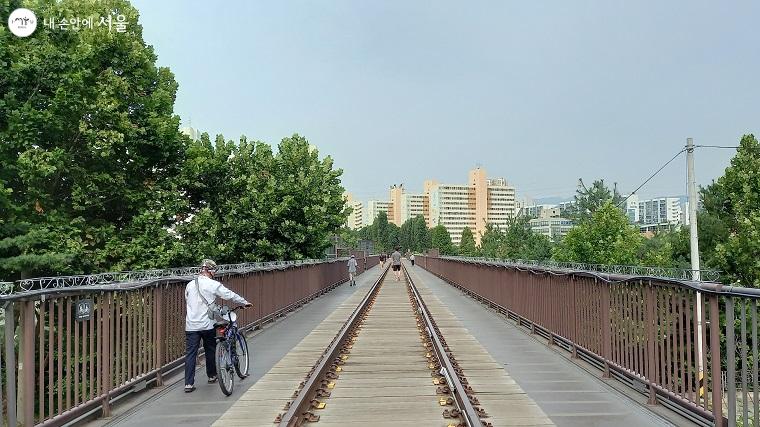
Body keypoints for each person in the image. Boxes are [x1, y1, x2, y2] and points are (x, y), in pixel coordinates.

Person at [184, 259, 251, 393]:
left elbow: (188, 301)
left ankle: (188, 384)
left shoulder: (190, 285)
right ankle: (212, 375)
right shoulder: (212, 284)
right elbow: (229, 295)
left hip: (191, 325)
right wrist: (244, 302)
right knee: (210, 349)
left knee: (191, 353)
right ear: (211, 271)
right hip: (207, 324)